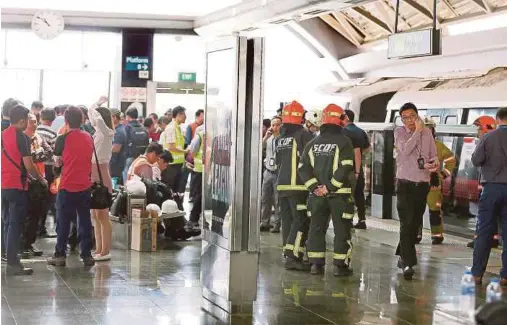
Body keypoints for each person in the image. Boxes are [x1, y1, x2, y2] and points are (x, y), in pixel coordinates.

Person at [299, 104, 355, 276]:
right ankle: (340, 266)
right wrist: (330, 187)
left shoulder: (312, 143)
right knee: (342, 230)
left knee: (316, 228)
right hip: (340, 196)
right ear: (340, 120)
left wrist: (316, 188)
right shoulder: (344, 142)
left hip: (316, 197)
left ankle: (316, 264)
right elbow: (345, 167)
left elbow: (303, 167)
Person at [394, 102, 438, 280]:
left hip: (422, 184)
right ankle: (408, 263)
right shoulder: (399, 132)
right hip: (404, 183)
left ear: (418, 115)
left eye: (412, 116)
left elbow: (433, 153)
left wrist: (434, 163)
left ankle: (402, 253)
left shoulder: (428, 133)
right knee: (406, 222)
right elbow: (404, 151)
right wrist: (417, 132)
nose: (409, 121)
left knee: (414, 223)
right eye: (405, 118)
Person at [2, 104, 47, 275]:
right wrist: (41, 179)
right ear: (21, 121)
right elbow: (29, 165)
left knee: (7, 223)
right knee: (15, 224)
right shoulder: (21, 138)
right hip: (17, 185)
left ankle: (9, 258)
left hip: (3, 185)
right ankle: (13, 264)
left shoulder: (2, 135)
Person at [47, 106, 95, 267]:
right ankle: (87, 254)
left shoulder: (62, 139)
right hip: (84, 185)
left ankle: (60, 255)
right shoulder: (89, 137)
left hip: (67, 185)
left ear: (66, 121)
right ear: (82, 120)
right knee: (84, 220)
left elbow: (57, 163)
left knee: (63, 221)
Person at [471, 107, 507, 285]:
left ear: (497, 120)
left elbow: (476, 160)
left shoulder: (488, 137)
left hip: (491, 188)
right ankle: (505, 276)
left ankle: (477, 274)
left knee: (484, 231)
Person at [276, 101, 314, 271]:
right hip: (298, 186)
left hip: (282, 185)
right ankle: (293, 256)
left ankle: (288, 251)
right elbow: (311, 160)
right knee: (301, 220)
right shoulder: (303, 135)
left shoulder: (280, 137)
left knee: (287, 220)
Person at [415, 118, 456, 245]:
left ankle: (437, 235)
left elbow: (451, 159)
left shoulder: (438, 145)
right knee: (416, 211)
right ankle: (416, 235)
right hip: (418, 182)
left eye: (430, 128)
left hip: (434, 185)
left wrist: (444, 174)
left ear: (433, 130)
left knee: (435, 211)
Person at [88, 97, 115, 262]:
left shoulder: (106, 133)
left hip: (102, 177)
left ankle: (105, 251)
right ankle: (98, 249)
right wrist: (96, 106)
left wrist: (96, 105)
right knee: (95, 216)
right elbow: (92, 116)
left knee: (103, 216)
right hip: (94, 176)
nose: (92, 120)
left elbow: (94, 116)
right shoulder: (99, 134)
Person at [22, 113, 52, 257]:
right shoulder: (22, 138)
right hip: (27, 181)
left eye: (35, 121)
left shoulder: (39, 137)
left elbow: (49, 152)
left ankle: (30, 242)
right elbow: (25, 159)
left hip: (40, 181)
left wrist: (36, 154)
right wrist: (36, 155)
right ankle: (23, 244)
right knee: (26, 215)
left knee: (36, 214)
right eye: (31, 122)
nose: (34, 124)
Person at [341, 109, 371, 230]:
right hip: (359, 169)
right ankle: (362, 220)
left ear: (347, 117)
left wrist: (356, 169)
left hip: (349, 170)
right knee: (359, 195)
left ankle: (347, 220)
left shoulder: (345, 132)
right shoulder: (361, 131)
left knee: (347, 195)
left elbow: (356, 151)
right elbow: (368, 148)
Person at [36, 107, 58, 238]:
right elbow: (55, 153)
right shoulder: (53, 134)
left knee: (35, 198)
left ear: (41, 117)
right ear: (53, 119)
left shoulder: (35, 131)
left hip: (36, 168)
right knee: (47, 199)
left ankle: (33, 227)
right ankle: (41, 227)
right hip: (48, 169)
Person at [163, 106, 188, 210]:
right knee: (170, 191)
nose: (185, 117)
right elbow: (170, 146)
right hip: (171, 165)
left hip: (177, 164)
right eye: (184, 114)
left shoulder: (178, 128)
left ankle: (177, 213)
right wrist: (185, 151)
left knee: (177, 192)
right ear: (178, 115)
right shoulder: (171, 128)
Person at [260, 116, 282, 233]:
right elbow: (259, 148)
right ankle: (265, 222)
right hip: (268, 171)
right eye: (273, 125)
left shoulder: (283, 139)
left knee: (277, 200)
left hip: (278, 172)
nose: (275, 127)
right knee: (265, 199)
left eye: (277, 124)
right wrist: (265, 137)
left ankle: (277, 224)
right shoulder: (268, 139)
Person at [122, 106, 149, 183]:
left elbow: (124, 142)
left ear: (128, 116)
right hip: (141, 156)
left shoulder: (127, 128)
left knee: (127, 174)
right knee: (139, 176)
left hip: (130, 156)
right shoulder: (143, 128)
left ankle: (127, 191)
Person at [187, 124, 205, 230]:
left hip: (201, 170)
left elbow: (192, 151)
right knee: (199, 196)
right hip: (200, 170)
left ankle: (194, 218)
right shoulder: (201, 135)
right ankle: (193, 219)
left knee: (199, 196)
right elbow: (192, 152)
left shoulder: (200, 135)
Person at [110, 108, 127, 187]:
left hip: (116, 166)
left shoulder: (119, 131)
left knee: (115, 188)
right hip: (114, 164)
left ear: (114, 117)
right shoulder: (115, 129)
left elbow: (115, 149)